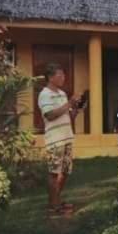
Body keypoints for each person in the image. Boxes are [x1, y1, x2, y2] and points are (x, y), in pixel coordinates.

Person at [38, 63, 81, 216]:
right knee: (54, 172)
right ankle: (54, 205)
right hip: (55, 139)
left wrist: (75, 108)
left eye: (64, 75)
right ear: (50, 77)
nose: (63, 78)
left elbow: (68, 116)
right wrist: (68, 103)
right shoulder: (45, 94)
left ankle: (55, 201)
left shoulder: (62, 94)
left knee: (65, 171)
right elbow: (49, 115)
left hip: (67, 136)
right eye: (60, 75)